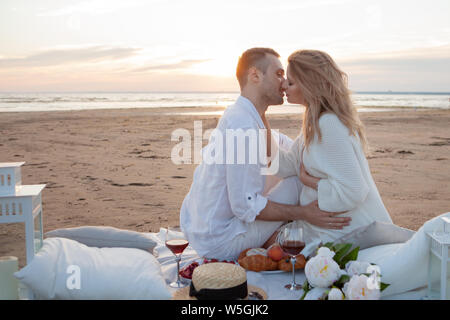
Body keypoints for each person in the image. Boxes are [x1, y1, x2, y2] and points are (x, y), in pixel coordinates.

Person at [180, 48, 351, 260]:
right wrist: (304, 212)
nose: (284, 81)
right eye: (278, 74)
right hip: (220, 243)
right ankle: (318, 229)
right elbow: (245, 206)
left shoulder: (241, 114)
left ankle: (282, 232)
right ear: (254, 76)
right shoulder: (243, 127)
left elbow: (280, 153)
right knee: (298, 177)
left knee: (287, 160)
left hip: (201, 228)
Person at [275, 49, 393, 244]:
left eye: (291, 82)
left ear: (310, 85)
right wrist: (257, 120)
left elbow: (354, 190)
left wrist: (309, 181)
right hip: (323, 230)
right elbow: (287, 165)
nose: (284, 86)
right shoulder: (314, 123)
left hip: (350, 237)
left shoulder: (328, 124)